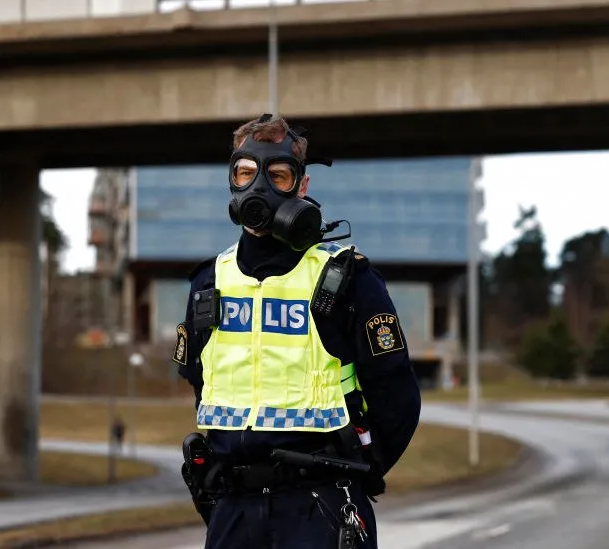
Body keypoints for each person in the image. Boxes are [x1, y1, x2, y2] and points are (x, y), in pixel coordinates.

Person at [172, 114, 422, 549]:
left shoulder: (346, 281)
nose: (258, 188)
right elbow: (201, 385)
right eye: (246, 174)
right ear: (232, 180)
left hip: (320, 506)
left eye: (277, 176)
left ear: (301, 186)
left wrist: (358, 472)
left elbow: (397, 397)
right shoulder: (208, 283)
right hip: (233, 509)